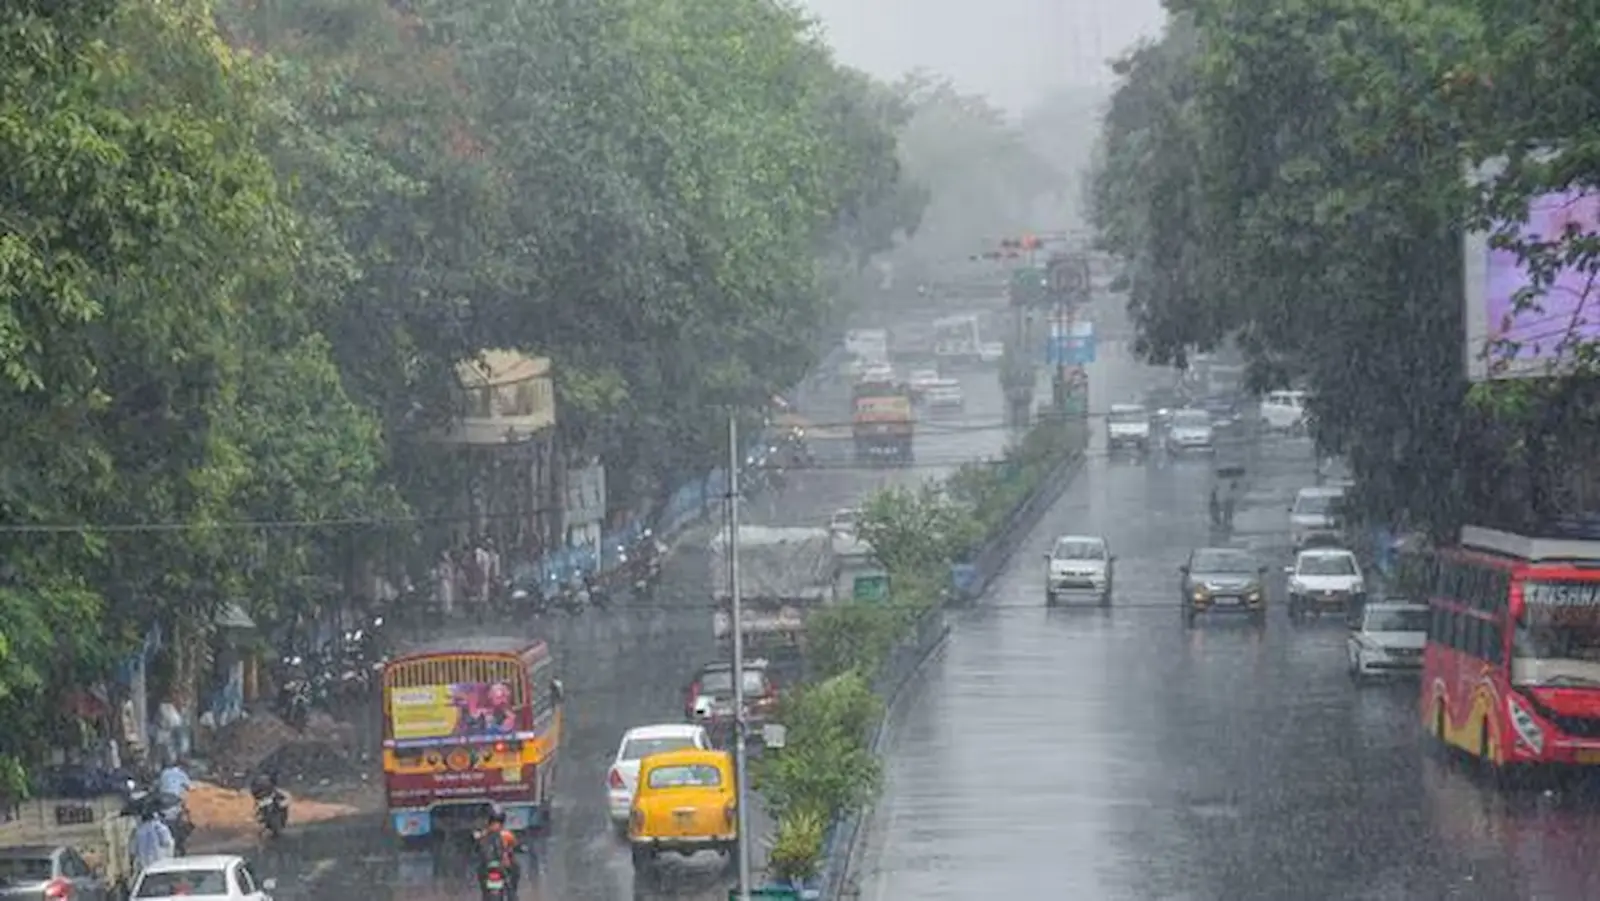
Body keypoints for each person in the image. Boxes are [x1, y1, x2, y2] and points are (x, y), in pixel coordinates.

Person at [472, 809, 522, 899]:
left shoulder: (485, 834)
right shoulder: (503, 834)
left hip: (499, 868)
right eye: (494, 823)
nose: (496, 826)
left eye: (497, 823)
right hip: (490, 867)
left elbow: (515, 846)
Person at [131, 808, 175, 874]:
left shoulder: (138, 832)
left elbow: (133, 851)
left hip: (145, 868)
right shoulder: (161, 828)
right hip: (161, 865)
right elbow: (167, 843)